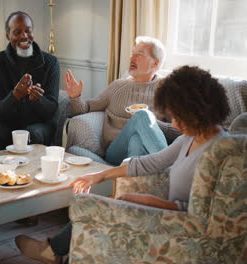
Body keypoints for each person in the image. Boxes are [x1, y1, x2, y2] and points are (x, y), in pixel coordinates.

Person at [15, 65, 230, 263]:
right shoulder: (190, 138)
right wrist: (101, 176)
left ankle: (54, 251)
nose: (173, 123)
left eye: (177, 116)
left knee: (95, 205)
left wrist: (148, 201)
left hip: (178, 225)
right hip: (168, 213)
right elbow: (152, 162)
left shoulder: (218, 151)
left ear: (197, 110)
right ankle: (62, 251)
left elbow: (205, 213)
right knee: (102, 198)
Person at [66, 36, 179, 166]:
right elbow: (85, 109)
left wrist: (149, 122)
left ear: (155, 63)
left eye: (139, 55)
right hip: (116, 152)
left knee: (138, 135)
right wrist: (75, 97)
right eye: (132, 54)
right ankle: (165, 169)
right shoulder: (118, 86)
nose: (132, 59)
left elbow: (179, 131)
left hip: (146, 155)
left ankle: (124, 179)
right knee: (73, 151)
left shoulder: (166, 91)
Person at [0, 11, 60, 152]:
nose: (24, 36)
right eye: (17, 32)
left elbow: (52, 110)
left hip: (39, 123)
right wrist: (15, 96)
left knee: (32, 135)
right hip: (6, 123)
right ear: (8, 35)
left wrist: (38, 100)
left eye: (28, 31)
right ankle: (2, 173)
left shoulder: (51, 63)